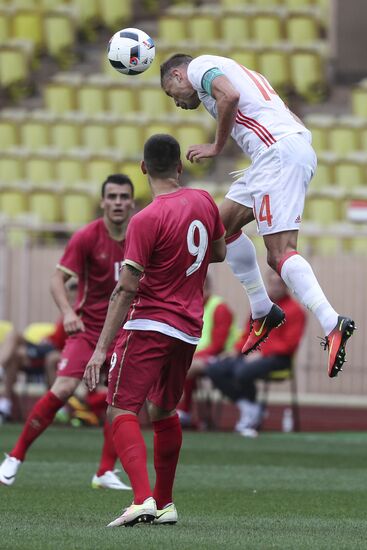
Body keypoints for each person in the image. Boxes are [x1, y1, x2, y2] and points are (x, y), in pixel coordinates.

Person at [160, 54, 355, 377]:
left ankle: (332, 322)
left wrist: (215, 146)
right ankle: (263, 310)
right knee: (217, 229)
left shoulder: (198, 68)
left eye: (171, 93)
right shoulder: (243, 72)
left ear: (179, 75)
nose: (176, 103)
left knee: (279, 255)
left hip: (277, 155)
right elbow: (285, 114)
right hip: (278, 153)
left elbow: (230, 97)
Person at [84, 134, 226, 527]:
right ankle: (164, 503)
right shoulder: (203, 201)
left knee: (121, 407)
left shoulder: (144, 219)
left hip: (149, 322)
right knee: (163, 409)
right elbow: (217, 253)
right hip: (187, 328)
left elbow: (126, 287)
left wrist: (99, 350)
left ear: (144, 168)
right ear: (180, 167)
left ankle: (142, 498)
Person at [0, 174, 135, 491]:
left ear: (132, 202)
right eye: (112, 196)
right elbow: (56, 280)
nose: (117, 202)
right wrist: (68, 312)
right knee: (61, 389)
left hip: (125, 332)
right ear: (102, 201)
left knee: (123, 401)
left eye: (123, 197)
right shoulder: (87, 236)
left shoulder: (141, 235)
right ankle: (15, 457)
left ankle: (104, 471)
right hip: (87, 331)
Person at [202, 271, 306, 438]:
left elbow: (289, 344)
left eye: (279, 284)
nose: (274, 287)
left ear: (286, 286)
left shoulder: (296, 311)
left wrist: (263, 352)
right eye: (272, 283)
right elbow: (247, 335)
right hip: (251, 355)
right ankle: (249, 407)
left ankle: (250, 414)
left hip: (279, 358)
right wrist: (235, 350)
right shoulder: (260, 306)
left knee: (243, 371)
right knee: (214, 368)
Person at [177, 275, 237, 428]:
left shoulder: (219, 308)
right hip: (199, 356)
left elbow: (218, 345)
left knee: (188, 365)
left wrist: (192, 356)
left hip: (222, 358)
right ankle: (171, 409)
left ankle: (183, 411)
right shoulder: (189, 307)